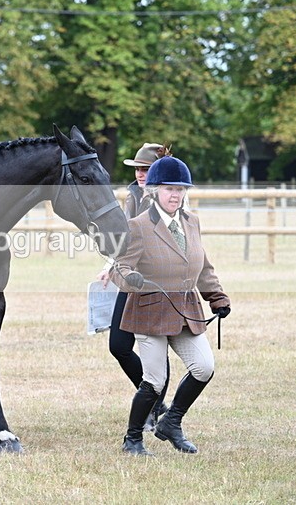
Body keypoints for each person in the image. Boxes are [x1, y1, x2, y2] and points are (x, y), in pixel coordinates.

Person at [109, 155, 231, 456]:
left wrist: (216, 297)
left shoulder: (192, 223)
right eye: (168, 189)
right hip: (149, 312)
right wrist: (132, 279)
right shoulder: (138, 226)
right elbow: (119, 268)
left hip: (185, 310)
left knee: (204, 367)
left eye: (180, 189)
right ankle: (132, 439)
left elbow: (202, 266)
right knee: (154, 380)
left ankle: (171, 422)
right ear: (153, 192)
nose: (175, 195)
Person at [97, 143, 169, 432]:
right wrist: (109, 265)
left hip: (157, 281)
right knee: (119, 346)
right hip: (130, 277)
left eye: (146, 168)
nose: (140, 173)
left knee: (156, 350)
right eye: (137, 168)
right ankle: (156, 401)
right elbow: (126, 236)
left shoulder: (168, 199)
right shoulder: (133, 194)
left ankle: (152, 405)